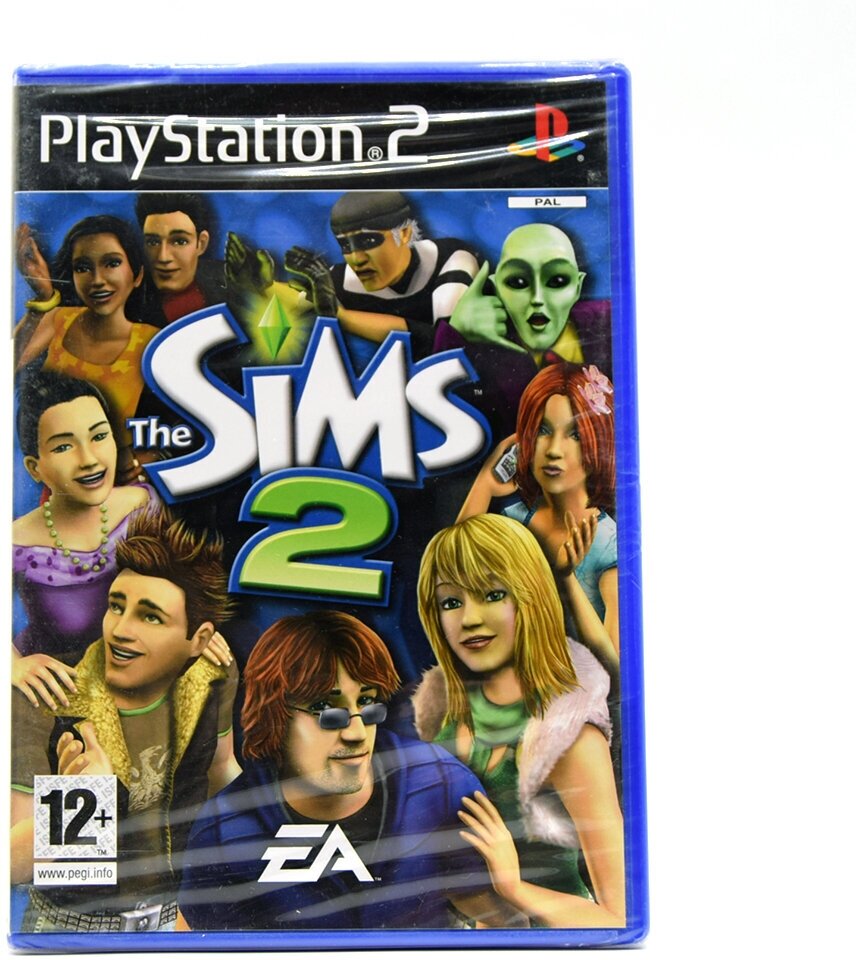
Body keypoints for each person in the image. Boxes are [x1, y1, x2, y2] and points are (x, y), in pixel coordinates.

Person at [178, 611, 521, 930]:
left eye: (367, 703)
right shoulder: (224, 830)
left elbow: (504, 929)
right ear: (275, 716)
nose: (356, 733)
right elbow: (194, 948)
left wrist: (511, 889)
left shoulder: (439, 784)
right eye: (326, 709)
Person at [10, 508, 240, 932]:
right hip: (70, 928)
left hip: (178, 920)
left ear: (200, 639)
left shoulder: (212, 676)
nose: (119, 630)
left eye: (150, 616)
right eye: (116, 606)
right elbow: (11, 865)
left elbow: (223, 771)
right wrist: (82, 796)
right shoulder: (47, 696)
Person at [413, 514, 625, 929]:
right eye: (451, 602)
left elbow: (617, 920)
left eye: (492, 594)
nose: (469, 618)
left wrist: (513, 887)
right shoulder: (446, 713)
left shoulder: (568, 735)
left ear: (531, 596)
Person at [458, 363, 619, 668]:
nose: (554, 450)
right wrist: (484, 486)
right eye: (543, 431)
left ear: (598, 442)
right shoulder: (515, 520)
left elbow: (613, 669)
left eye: (575, 435)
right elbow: (452, 573)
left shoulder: (608, 545)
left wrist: (566, 578)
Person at [14, 215, 160, 480]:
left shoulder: (153, 342)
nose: (97, 280)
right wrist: (43, 297)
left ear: (137, 274)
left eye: (112, 263)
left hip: (124, 488)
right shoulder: (58, 320)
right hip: (60, 486)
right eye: (82, 267)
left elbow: (182, 424)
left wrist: (149, 458)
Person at [433, 223, 612, 438]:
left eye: (557, 281)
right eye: (517, 282)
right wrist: (455, 334)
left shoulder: (612, 325)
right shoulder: (482, 354)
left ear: (578, 286)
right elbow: (438, 420)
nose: (537, 298)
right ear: (497, 287)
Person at [135, 193, 227, 328]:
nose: (163, 257)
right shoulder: (130, 302)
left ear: (201, 243)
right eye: (153, 242)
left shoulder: (232, 283)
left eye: (180, 241)